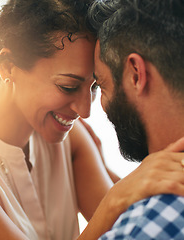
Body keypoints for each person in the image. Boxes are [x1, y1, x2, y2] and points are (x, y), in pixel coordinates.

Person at [0, 0, 184, 239]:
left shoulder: (69, 138)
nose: (84, 110)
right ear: (7, 65)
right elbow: (117, 207)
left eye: (93, 87)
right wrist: (114, 199)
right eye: (68, 87)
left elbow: (127, 223)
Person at [87, 0, 184, 239]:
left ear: (136, 74)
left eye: (101, 85)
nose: (87, 111)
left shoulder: (146, 225)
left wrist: (113, 200)